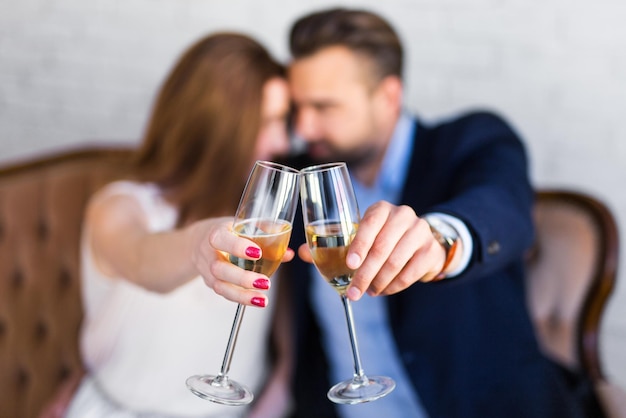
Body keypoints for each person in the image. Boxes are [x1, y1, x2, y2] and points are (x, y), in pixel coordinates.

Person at [281, 7, 596, 418]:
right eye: (296, 107)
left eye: (324, 107)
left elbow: (505, 209)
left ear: (389, 96)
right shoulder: (304, 177)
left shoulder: (471, 142)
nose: (303, 127)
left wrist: (439, 241)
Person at [40, 32, 293, 418]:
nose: (283, 141)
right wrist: (198, 245)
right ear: (217, 127)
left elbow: (285, 350)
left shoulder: (265, 224)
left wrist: (273, 401)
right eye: (268, 122)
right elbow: (142, 260)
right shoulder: (120, 206)